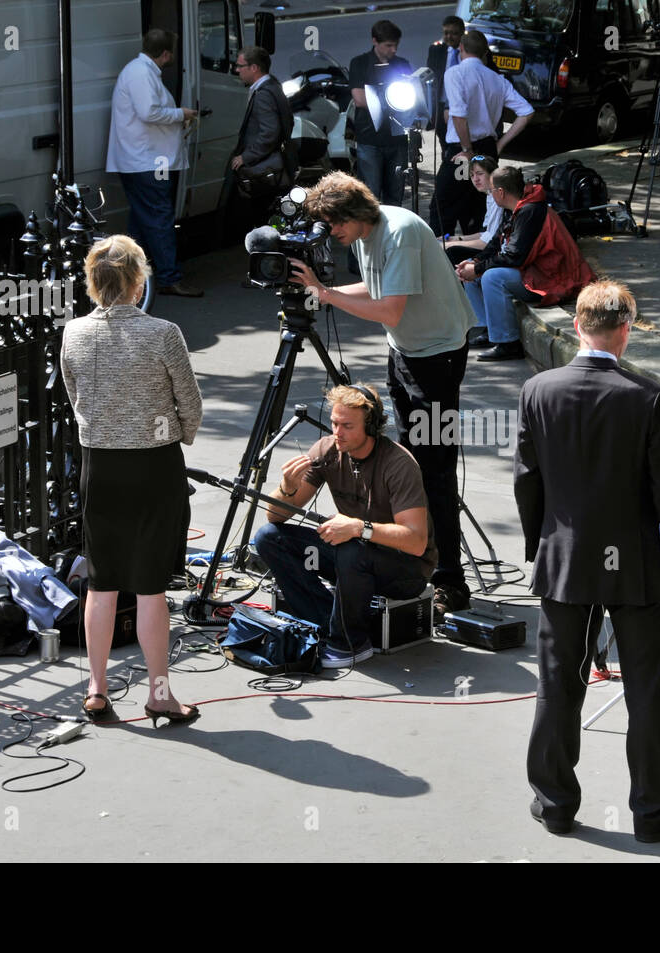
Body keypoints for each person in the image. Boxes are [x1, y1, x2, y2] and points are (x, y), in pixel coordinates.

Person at [514, 279, 660, 842]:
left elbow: (528, 482)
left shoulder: (538, 390)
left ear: (577, 324)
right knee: (646, 691)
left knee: (557, 684)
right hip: (635, 564)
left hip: (565, 560)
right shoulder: (646, 396)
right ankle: (652, 810)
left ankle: (553, 801)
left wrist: (542, 547)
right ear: (626, 329)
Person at [290, 172, 474, 622]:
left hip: (438, 358)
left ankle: (450, 579)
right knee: (407, 464)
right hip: (406, 351)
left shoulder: (401, 232)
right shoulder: (366, 234)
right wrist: (319, 292)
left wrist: (327, 293)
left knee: (432, 469)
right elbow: (376, 289)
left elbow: (390, 309)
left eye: (334, 224)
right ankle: (405, 553)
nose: (332, 234)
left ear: (354, 213)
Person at [60, 235, 203, 726]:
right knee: (149, 587)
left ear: (92, 281)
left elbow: (74, 396)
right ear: (138, 281)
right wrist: (178, 434)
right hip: (152, 464)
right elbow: (190, 401)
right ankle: (159, 694)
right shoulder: (163, 332)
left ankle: (97, 690)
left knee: (101, 582)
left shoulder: (74, 333)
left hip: (99, 465)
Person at [254, 385, 437, 668]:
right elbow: (275, 518)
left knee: (352, 549)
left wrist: (358, 527)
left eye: (347, 426)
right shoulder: (328, 449)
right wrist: (288, 488)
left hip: (406, 570)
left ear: (372, 426)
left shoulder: (399, 464)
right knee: (269, 538)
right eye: (335, 423)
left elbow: (415, 541)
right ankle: (328, 626)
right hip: (357, 553)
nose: (337, 432)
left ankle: (351, 644)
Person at [456, 166, 594, 360]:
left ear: (501, 192)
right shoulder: (518, 207)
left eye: (492, 190)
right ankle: (487, 328)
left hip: (551, 277)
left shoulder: (530, 211)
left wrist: (478, 269)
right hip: (533, 270)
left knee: (492, 277)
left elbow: (514, 257)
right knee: (473, 268)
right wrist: (475, 262)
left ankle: (507, 343)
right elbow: (496, 243)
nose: (491, 193)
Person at [105, 29, 203, 298]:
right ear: (166, 54)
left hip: (144, 159)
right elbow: (149, 112)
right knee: (159, 218)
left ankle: (131, 278)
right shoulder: (140, 72)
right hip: (147, 161)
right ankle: (169, 278)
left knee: (142, 221)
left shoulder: (141, 71)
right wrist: (181, 113)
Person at [430, 30, 533, 237]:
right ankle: (476, 258)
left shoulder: (455, 73)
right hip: (488, 149)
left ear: (461, 48)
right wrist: (501, 143)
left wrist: (467, 149)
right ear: (485, 53)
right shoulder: (497, 79)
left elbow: (459, 116)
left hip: (463, 151)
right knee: (479, 207)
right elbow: (526, 112)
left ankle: (445, 257)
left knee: (443, 208)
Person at [348, 20, 415, 207]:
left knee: (395, 196)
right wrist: (394, 101)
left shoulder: (402, 64)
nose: (393, 50)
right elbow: (360, 99)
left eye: (396, 45)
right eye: (388, 45)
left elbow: (412, 98)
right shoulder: (360, 63)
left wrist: (379, 99)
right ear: (374, 41)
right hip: (370, 140)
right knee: (370, 196)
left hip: (397, 139)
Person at [230, 46, 294, 231]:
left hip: (265, 171)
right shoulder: (274, 86)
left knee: (264, 220)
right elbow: (287, 123)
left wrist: (246, 156)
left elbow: (270, 132)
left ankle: (268, 255)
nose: (237, 70)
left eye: (240, 65)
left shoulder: (263, 94)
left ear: (254, 68)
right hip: (277, 166)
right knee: (274, 219)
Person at [443, 155, 503, 270]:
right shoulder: (490, 195)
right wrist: (455, 239)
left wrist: (452, 244)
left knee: (451, 251)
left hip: (496, 251)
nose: (475, 179)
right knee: (447, 243)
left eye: (480, 174)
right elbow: (485, 232)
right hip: (490, 245)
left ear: (492, 174)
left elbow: (489, 240)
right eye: (472, 175)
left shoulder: (497, 197)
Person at [426, 16, 466, 152]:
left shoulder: (470, 52)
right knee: (445, 145)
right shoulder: (436, 50)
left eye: (454, 33)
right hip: (442, 106)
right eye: (446, 33)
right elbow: (429, 77)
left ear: (462, 33)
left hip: (463, 105)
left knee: (461, 145)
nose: (449, 37)